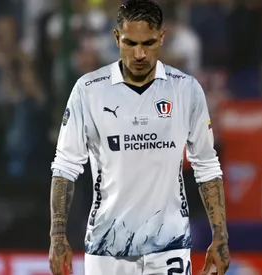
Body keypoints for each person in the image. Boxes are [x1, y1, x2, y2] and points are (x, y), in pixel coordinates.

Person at [48, 1, 230, 274]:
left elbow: (206, 166)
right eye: (130, 43)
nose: (140, 53)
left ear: (163, 37)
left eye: (149, 43)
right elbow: (64, 167)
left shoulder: (186, 90)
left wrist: (221, 237)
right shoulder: (89, 91)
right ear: (115, 37)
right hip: (107, 249)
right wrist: (57, 235)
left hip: (170, 246)